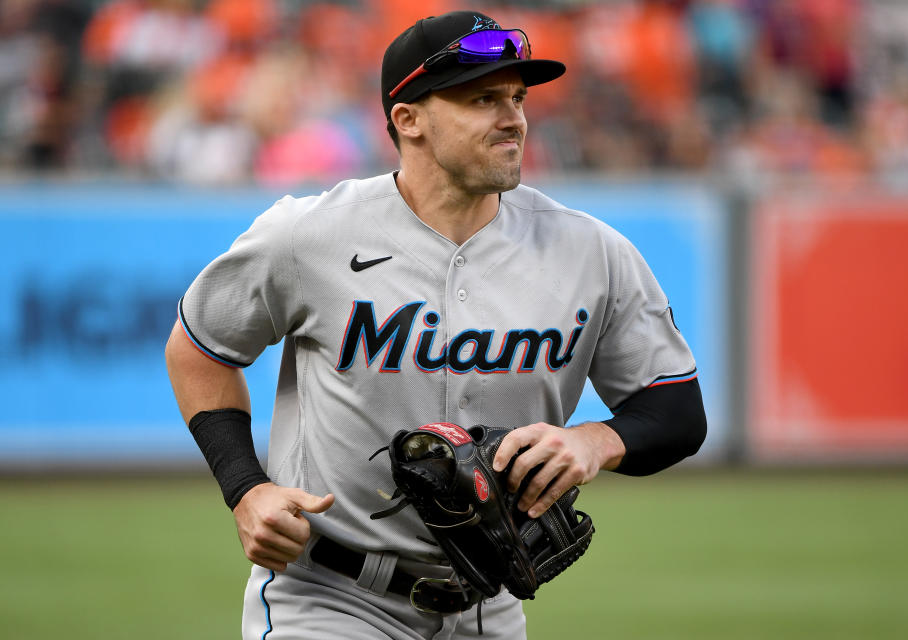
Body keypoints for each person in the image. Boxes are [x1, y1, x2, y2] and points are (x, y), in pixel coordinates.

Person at [165, 10, 707, 640]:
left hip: (490, 605)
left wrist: (593, 441)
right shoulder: (308, 235)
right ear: (408, 119)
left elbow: (676, 411)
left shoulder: (591, 252)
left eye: (517, 97)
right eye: (482, 99)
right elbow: (199, 349)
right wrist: (246, 489)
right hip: (328, 599)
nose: (513, 118)